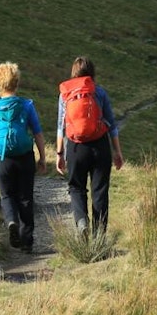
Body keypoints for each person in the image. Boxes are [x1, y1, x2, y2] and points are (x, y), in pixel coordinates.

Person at [56, 56, 124, 238]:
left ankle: (81, 221)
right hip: (99, 146)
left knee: (76, 187)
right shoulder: (99, 92)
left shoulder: (65, 95)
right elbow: (112, 125)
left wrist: (59, 153)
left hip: (76, 148)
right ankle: (99, 237)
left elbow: (61, 127)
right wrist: (117, 152)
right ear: (92, 73)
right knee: (99, 190)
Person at [0, 61, 47, 252]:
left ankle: (12, 221)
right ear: (17, 82)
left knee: (7, 195)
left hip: (2, 158)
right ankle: (27, 241)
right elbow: (38, 133)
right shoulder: (27, 105)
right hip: (25, 156)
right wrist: (42, 158)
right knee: (26, 197)